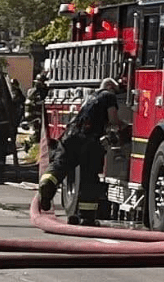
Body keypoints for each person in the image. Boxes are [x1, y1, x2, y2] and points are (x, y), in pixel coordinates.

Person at [37, 77, 125, 225]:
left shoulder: (90, 97)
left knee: (60, 166)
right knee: (89, 177)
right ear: (110, 86)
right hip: (88, 140)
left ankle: (46, 185)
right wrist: (125, 126)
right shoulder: (108, 95)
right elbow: (113, 119)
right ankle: (86, 217)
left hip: (70, 136)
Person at [23, 73, 49, 151]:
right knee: (37, 133)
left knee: (37, 132)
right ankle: (28, 143)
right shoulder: (35, 92)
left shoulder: (31, 91)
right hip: (34, 116)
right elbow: (38, 103)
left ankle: (31, 144)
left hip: (32, 115)